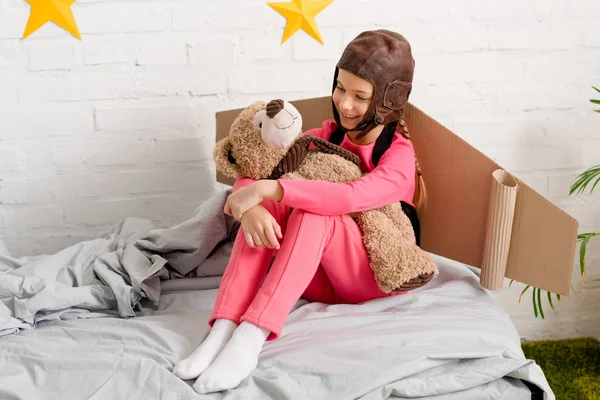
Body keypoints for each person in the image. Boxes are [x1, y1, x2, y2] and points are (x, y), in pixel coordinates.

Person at [173, 29, 427, 394]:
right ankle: (224, 326)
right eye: (341, 88)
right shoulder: (323, 135)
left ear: (388, 101)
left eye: (360, 96)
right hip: (316, 276)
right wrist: (254, 207)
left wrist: (271, 188)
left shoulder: (399, 156)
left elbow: (351, 196)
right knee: (275, 199)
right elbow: (259, 165)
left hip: (369, 279)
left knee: (313, 208)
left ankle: (252, 334)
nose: (345, 104)